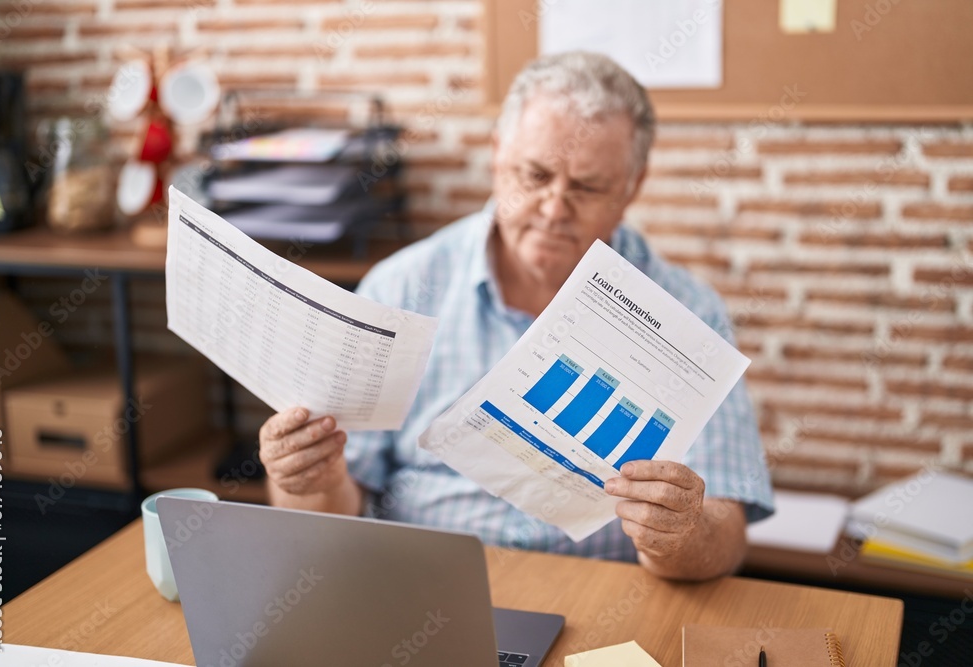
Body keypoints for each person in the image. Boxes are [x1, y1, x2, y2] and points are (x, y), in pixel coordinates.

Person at [259, 51, 773, 581]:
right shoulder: (402, 288)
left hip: (607, 601)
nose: (553, 210)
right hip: (424, 586)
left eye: (587, 187)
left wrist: (680, 536)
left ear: (631, 188)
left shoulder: (690, 314)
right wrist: (308, 479)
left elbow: (727, 533)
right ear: (498, 155)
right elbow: (332, 515)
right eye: (535, 175)